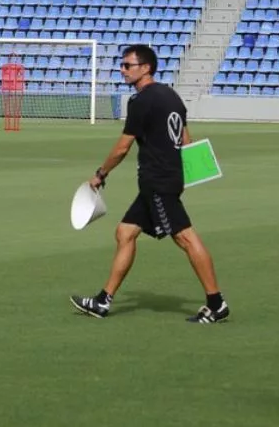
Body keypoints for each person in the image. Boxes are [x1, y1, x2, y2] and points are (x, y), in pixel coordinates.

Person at [70, 44, 230, 324]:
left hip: (158, 182)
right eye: (122, 65)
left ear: (145, 68)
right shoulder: (172, 96)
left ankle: (216, 303)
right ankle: (103, 301)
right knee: (125, 233)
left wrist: (100, 174)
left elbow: (122, 147)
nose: (122, 70)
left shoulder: (141, 101)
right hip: (166, 180)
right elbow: (186, 139)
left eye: (127, 66)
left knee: (186, 238)